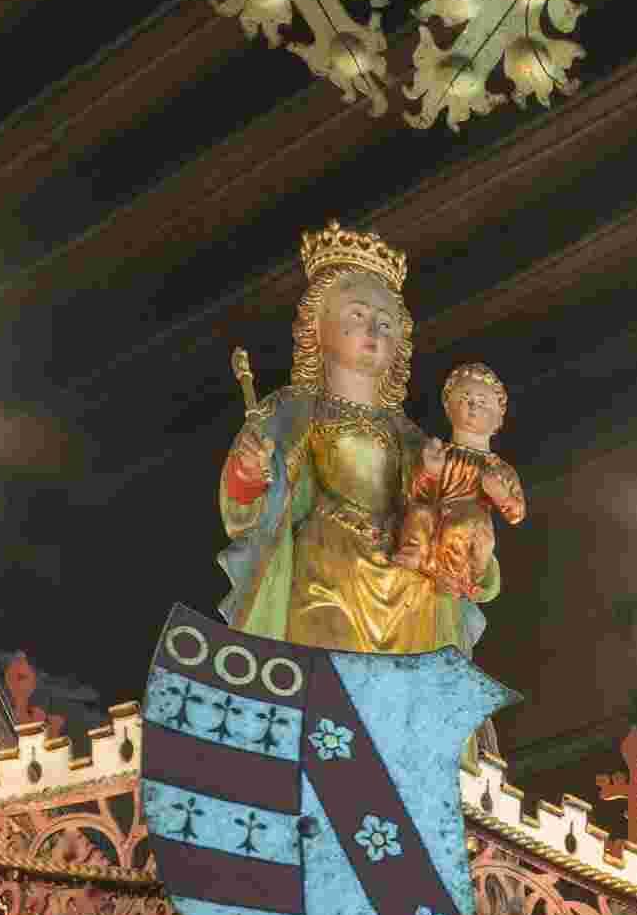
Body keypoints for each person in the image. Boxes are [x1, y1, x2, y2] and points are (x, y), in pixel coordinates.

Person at [218, 225, 463, 654]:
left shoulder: (408, 435)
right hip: (328, 566)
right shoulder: (293, 409)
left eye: (385, 324)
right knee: (325, 671)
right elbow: (249, 501)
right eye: (357, 315)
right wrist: (251, 472)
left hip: (405, 577)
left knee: (407, 678)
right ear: (318, 325)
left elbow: (435, 502)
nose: (373, 330)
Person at [390, 362, 525, 656]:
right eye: (465, 399)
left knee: (463, 524)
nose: (472, 406)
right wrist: (430, 471)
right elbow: (418, 494)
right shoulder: (441, 453)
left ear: (499, 417)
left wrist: (499, 493)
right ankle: (416, 553)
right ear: (448, 407)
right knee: (420, 514)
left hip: (471, 527)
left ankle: (452, 577)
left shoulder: (498, 468)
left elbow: (516, 513)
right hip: (437, 519)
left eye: (482, 402)